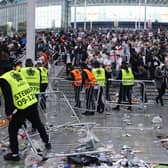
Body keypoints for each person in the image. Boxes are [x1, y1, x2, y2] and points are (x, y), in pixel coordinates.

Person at [0, 47, 51, 161]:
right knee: (37, 123)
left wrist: (9, 113)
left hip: (21, 105)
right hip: (31, 101)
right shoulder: (15, 73)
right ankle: (47, 142)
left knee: (12, 129)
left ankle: (15, 154)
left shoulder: (3, 79)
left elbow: (8, 98)